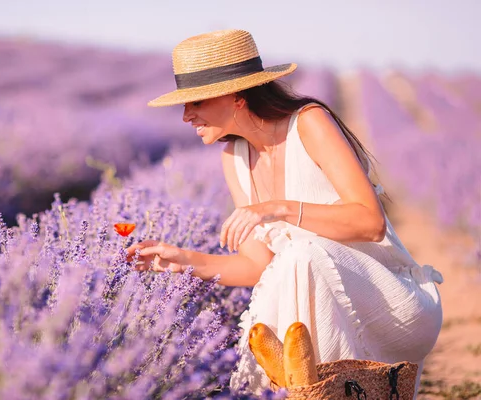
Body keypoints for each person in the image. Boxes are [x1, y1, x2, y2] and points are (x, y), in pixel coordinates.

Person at [125, 29, 443, 397]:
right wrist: (182, 261)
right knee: (292, 262)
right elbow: (258, 266)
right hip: (315, 308)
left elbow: (370, 224)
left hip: (390, 304)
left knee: (302, 254)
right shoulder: (234, 160)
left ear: (236, 96)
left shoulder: (309, 123)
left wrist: (279, 208)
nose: (185, 116)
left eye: (195, 102)